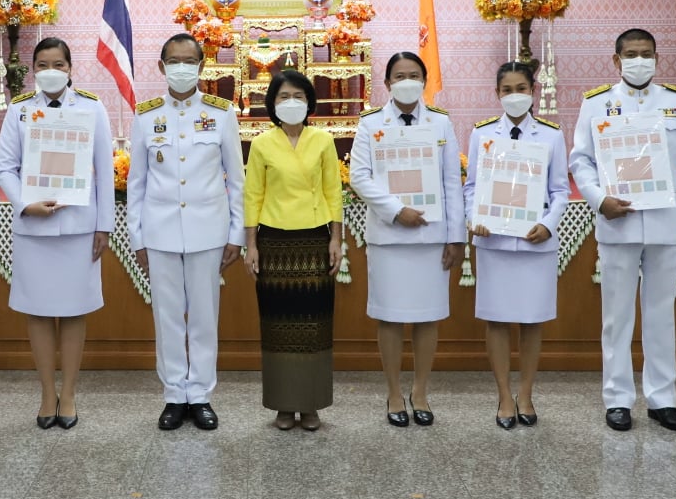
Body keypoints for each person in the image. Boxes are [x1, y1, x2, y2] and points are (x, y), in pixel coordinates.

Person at [569, 29, 676, 433]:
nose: (639, 61)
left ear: (657, 58)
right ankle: (617, 399)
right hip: (619, 222)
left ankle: (662, 399)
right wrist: (599, 200)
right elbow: (580, 160)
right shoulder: (597, 103)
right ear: (616, 60)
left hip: (666, 224)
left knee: (661, 314)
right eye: (630, 54)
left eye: (646, 53)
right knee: (616, 317)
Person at [127, 32, 245, 432]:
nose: (181, 68)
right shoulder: (146, 115)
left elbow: (236, 179)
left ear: (201, 66)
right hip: (159, 232)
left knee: (204, 317)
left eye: (189, 61)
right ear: (161, 67)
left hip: (208, 231)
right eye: (173, 61)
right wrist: (137, 238)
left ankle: (201, 394)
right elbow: (136, 184)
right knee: (167, 317)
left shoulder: (221, 113)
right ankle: (175, 395)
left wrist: (236, 234)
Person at [0, 38, 113, 430]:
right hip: (34, 227)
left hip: (80, 227)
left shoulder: (92, 107)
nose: (51, 71)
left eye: (58, 64)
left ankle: (70, 393)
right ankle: (48, 393)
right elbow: (4, 167)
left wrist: (105, 225)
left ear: (70, 68)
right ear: (32, 70)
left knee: (75, 309)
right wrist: (23, 203)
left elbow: (104, 169)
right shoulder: (19, 110)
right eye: (43, 64)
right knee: (39, 310)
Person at [350, 52, 464, 427]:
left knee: (427, 317)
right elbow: (359, 177)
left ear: (424, 81)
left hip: (431, 237)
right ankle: (394, 392)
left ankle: (421, 391)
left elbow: (451, 182)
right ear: (387, 83)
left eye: (414, 75)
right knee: (390, 316)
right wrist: (397, 210)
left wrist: (456, 237)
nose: (407, 81)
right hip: (390, 237)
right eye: (399, 76)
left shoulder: (441, 123)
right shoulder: (370, 123)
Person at [465, 61, 570, 430]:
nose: (514, 96)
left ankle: (525, 394)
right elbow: (471, 187)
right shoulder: (482, 134)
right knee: (496, 319)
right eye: (507, 90)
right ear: (497, 93)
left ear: (533, 91)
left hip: (534, 242)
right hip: (493, 241)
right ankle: (504, 397)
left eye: (521, 88)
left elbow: (560, 190)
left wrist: (548, 224)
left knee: (532, 320)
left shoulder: (551, 135)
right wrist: (474, 217)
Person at [243, 68, 344, 431]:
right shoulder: (261, 144)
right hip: (274, 242)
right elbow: (252, 195)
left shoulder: (323, 140)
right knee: (277, 326)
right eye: (284, 96)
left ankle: (311, 404)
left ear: (309, 102)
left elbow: (333, 192)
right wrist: (250, 245)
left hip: (315, 240)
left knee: (315, 325)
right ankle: (284, 405)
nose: (291, 102)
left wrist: (336, 239)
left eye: (298, 96)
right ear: (272, 103)